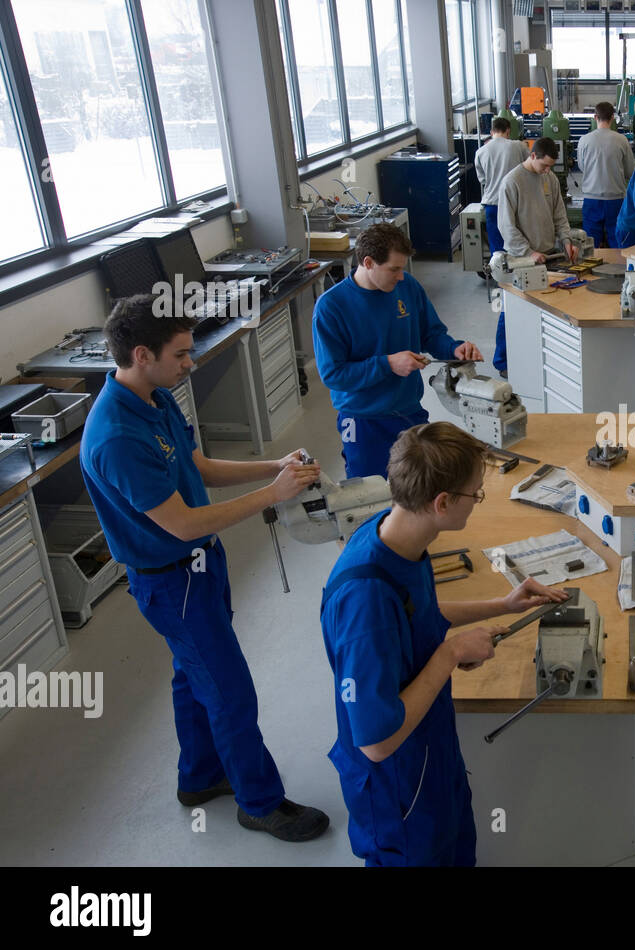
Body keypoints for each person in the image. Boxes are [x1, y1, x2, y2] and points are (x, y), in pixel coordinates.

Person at [80, 294, 330, 843]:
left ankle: (198, 777)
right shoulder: (117, 436)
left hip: (201, 567)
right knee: (229, 690)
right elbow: (183, 524)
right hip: (172, 581)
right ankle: (259, 802)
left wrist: (276, 466)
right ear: (142, 354)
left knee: (191, 676)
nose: (191, 362)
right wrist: (272, 493)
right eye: (182, 354)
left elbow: (198, 467)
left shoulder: (153, 396)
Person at [320, 422, 568, 866]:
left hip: (431, 755)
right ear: (442, 502)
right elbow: (376, 742)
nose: (478, 501)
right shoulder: (365, 599)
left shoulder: (399, 538)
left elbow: (419, 615)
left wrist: (503, 605)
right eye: (476, 494)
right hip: (398, 789)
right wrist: (451, 653)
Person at [313, 223, 484, 480]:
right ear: (368, 263)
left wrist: (453, 348)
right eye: (394, 269)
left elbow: (431, 334)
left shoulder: (407, 287)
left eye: (402, 268)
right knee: (370, 497)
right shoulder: (331, 307)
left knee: (419, 487)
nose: (401, 276)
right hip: (364, 420)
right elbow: (334, 374)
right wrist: (387, 364)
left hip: (409, 411)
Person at [498, 137, 580, 377]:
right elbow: (506, 226)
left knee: (547, 308)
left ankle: (540, 357)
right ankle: (503, 362)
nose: (547, 171)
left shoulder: (549, 178)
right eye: (544, 165)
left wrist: (566, 240)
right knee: (511, 309)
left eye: (550, 167)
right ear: (532, 156)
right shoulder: (512, 182)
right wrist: (528, 252)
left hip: (549, 257)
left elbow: (559, 214)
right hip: (522, 259)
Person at [577, 102, 635, 248]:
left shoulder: (584, 140)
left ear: (595, 117)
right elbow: (630, 170)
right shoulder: (622, 140)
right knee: (617, 242)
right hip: (615, 199)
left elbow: (581, 167)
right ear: (612, 118)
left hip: (591, 199)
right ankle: (619, 270)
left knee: (590, 246)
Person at [474, 116, 529, 255]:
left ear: (492, 132)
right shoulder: (518, 146)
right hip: (515, 204)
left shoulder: (480, 152)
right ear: (508, 131)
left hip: (492, 203)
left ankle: (500, 275)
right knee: (517, 245)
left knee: (497, 249)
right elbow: (529, 168)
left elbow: (482, 180)